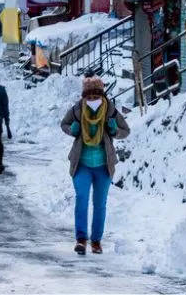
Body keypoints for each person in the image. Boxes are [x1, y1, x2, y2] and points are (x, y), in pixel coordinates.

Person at [60, 76, 129, 255]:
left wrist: (114, 130)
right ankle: (81, 239)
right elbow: (64, 124)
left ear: (102, 94)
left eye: (95, 95)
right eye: (88, 95)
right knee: (81, 200)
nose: (91, 99)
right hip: (81, 164)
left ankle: (96, 241)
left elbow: (125, 130)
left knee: (100, 204)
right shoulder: (77, 109)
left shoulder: (110, 110)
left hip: (103, 166)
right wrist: (72, 130)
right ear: (84, 95)